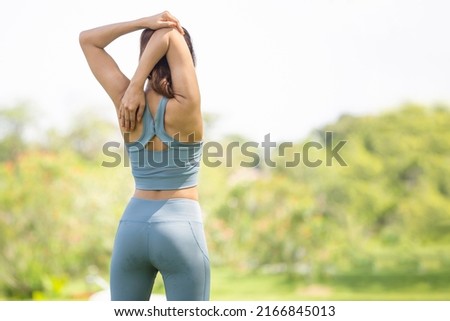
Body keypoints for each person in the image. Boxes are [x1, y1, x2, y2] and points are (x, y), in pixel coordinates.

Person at [79, 11, 210, 301]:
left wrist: (142, 24)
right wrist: (137, 83)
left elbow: (87, 40)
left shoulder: (125, 100)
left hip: (132, 228)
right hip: (181, 226)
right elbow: (171, 35)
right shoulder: (187, 105)